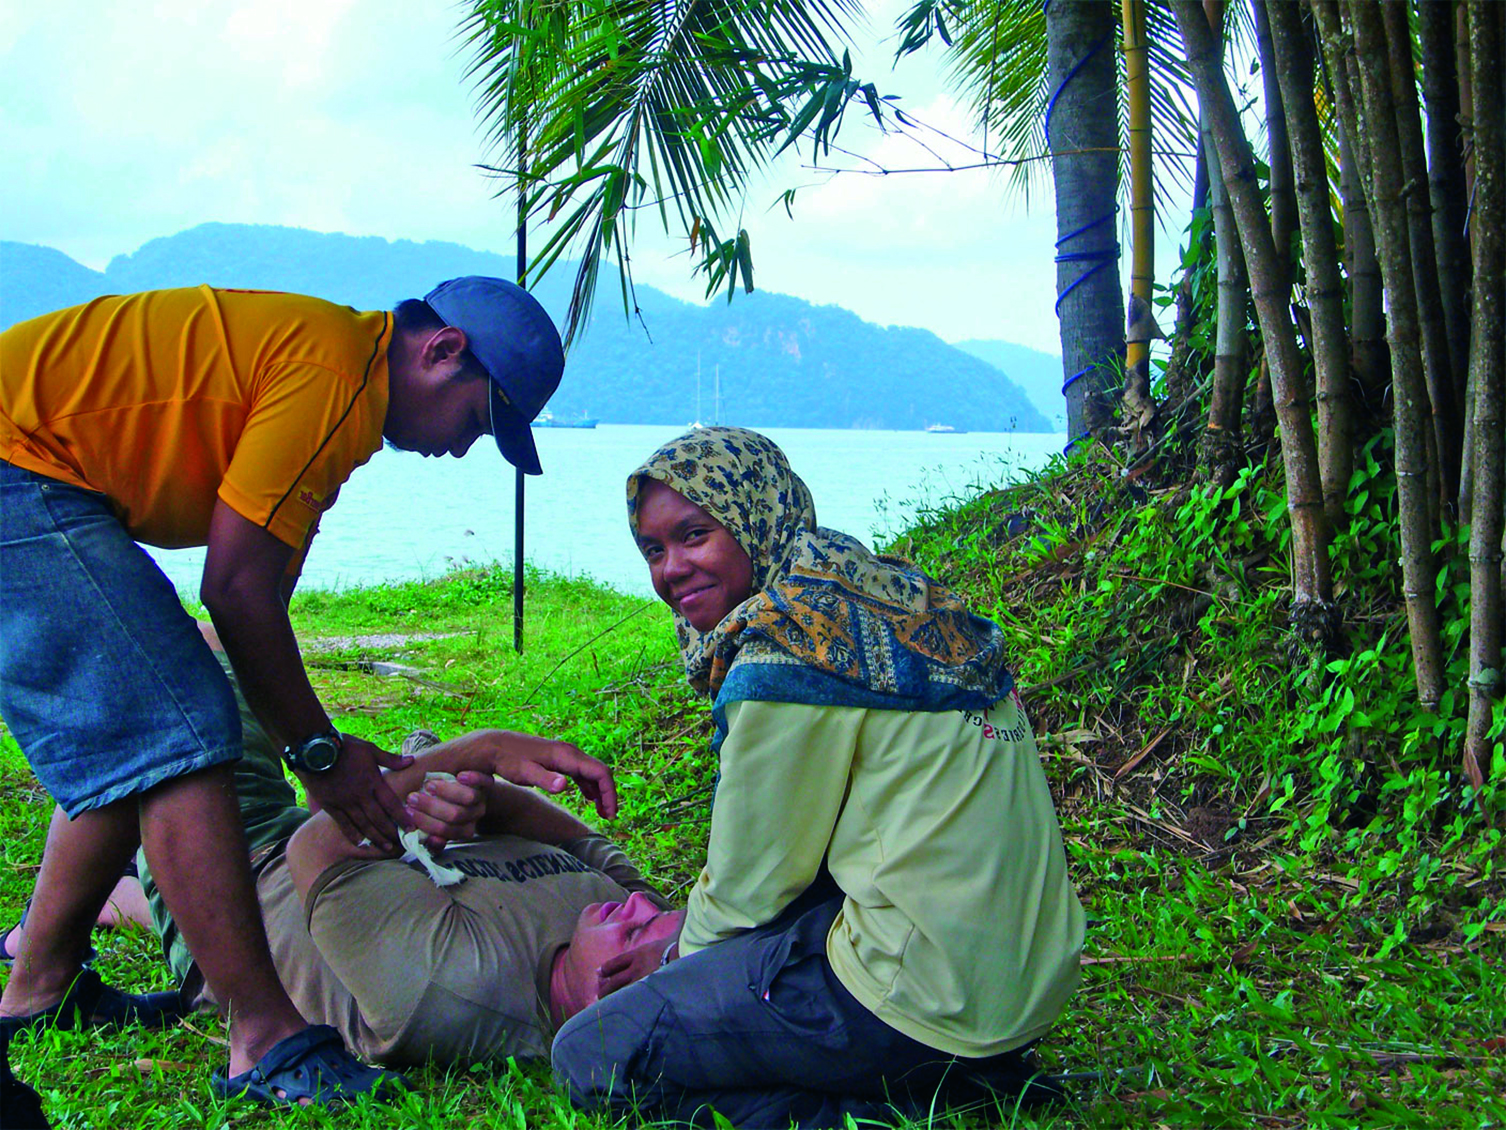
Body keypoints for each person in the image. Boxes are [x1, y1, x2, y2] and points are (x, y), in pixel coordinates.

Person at [0, 278, 604, 1119]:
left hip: (37, 470)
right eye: (476, 421)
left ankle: (40, 990)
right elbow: (234, 589)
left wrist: (336, 751)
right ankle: (265, 1040)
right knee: (179, 735)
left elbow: (263, 600)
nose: (464, 450)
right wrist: (317, 755)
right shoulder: (332, 376)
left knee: (150, 718)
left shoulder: (336, 377)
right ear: (441, 351)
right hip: (18, 468)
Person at [552, 427, 1087, 1129]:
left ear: (753, 518)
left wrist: (676, 956)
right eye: (654, 550)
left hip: (923, 1001)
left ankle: (875, 1110)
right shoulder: (884, 592)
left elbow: (751, 890)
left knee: (591, 1052)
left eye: (694, 535)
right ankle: (967, 1082)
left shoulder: (788, 654)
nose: (671, 569)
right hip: (1028, 987)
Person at [134, 623, 681, 1067]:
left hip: (240, 870)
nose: (637, 903)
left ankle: (51, 980)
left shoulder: (452, 985)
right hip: (355, 863)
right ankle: (119, 900)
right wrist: (482, 805)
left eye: (634, 927)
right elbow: (583, 840)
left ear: (605, 993)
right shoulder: (625, 924)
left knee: (152, 670)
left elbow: (317, 845)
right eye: (658, 910)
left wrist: (479, 753)